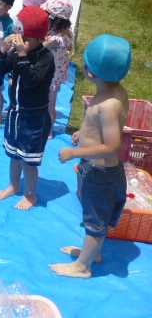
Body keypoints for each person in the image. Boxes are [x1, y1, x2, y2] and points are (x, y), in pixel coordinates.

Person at [50, 35, 132, 279]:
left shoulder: (108, 105)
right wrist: (81, 132)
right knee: (98, 217)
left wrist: (75, 152)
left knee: (95, 222)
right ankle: (92, 253)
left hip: (101, 173)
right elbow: (99, 128)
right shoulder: (114, 92)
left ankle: (83, 266)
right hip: (101, 171)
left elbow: (112, 146)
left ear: (90, 73)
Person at [0, 6, 54, 210]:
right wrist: (3, 52)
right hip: (15, 113)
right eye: (18, 36)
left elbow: (30, 81)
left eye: (23, 37)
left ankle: (30, 194)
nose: (19, 40)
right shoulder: (20, 52)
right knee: (13, 154)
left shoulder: (46, 58)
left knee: (28, 160)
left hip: (34, 117)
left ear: (37, 37)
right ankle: (14, 185)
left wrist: (22, 55)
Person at [42, 0, 74, 138]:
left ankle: (48, 130)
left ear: (57, 20)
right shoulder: (67, 32)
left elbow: (39, 48)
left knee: (49, 103)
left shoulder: (55, 39)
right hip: (57, 69)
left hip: (51, 74)